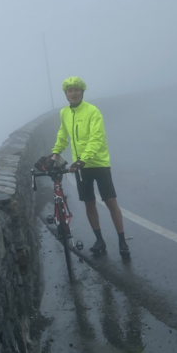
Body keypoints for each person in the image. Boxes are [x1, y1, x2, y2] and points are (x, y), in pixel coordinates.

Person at [51, 76, 130, 258]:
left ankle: (122, 241)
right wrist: (55, 152)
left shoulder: (93, 111)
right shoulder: (64, 113)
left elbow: (96, 138)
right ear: (65, 94)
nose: (73, 93)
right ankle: (99, 240)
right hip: (80, 166)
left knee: (110, 201)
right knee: (89, 203)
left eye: (76, 90)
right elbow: (63, 135)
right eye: (70, 90)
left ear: (82, 92)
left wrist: (83, 159)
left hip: (99, 163)